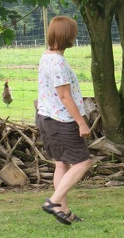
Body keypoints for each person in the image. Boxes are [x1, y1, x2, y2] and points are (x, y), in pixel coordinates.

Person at [37, 16, 92, 225]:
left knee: (62, 164)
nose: (75, 36)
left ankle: (64, 211)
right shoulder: (58, 62)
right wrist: (81, 122)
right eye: (73, 33)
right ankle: (53, 201)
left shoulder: (46, 56)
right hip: (62, 120)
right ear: (67, 36)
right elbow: (65, 96)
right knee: (83, 162)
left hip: (46, 117)